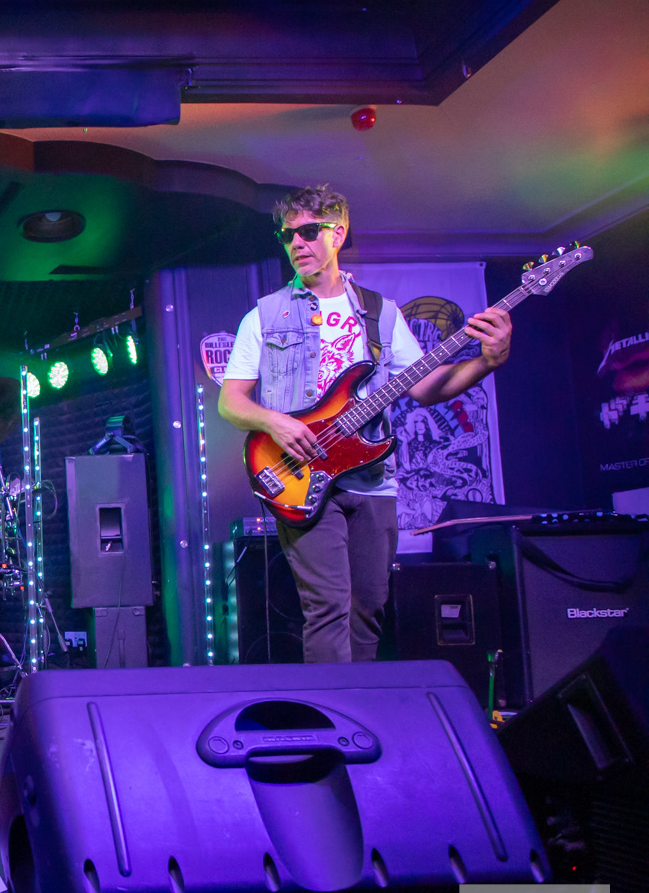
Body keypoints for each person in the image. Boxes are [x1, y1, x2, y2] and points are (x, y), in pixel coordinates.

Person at [218, 186, 511, 663]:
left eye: (308, 232)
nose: (297, 244)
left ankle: (363, 700)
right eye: (288, 235)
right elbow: (230, 402)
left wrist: (487, 361)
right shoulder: (265, 316)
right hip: (303, 477)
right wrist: (276, 423)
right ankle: (335, 707)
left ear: (338, 233)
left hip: (373, 479)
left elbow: (426, 387)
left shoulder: (380, 313)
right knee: (327, 608)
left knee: (368, 607)